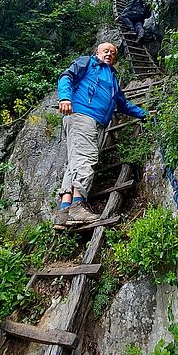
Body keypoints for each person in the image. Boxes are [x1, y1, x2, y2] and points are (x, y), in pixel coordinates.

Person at [56, 42, 148, 226]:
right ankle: (77, 206)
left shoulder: (112, 79)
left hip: (94, 121)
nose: (109, 55)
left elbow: (122, 104)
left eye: (113, 53)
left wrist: (143, 114)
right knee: (87, 157)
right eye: (106, 51)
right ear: (97, 52)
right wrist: (65, 97)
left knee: (75, 161)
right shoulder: (87, 63)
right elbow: (66, 76)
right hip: (82, 114)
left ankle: (64, 211)